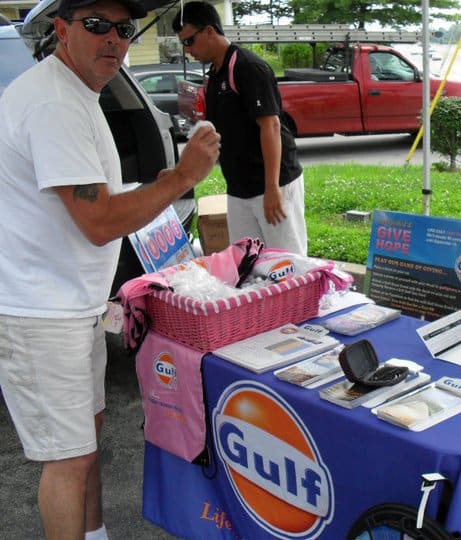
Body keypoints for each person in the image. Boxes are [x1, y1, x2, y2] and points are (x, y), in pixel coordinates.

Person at [0, 0, 221, 538]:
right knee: (68, 459)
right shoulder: (53, 103)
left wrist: (159, 205)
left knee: (85, 442)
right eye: (96, 25)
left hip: (73, 306)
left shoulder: (78, 93)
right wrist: (181, 177)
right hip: (41, 315)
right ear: (61, 30)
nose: (113, 40)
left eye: (122, 29)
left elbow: (100, 196)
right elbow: (98, 221)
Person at [172, 2, 308, 255]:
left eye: (189, 41)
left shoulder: (247, 67)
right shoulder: (214, 75)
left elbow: (271, 126)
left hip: (273, 184)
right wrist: (179, 172)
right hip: (239, 190)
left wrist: (272, 188)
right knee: (247, 264)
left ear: (210, 31)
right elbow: (217, 132)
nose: (187, 50)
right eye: (183, 44)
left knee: (289, 266)